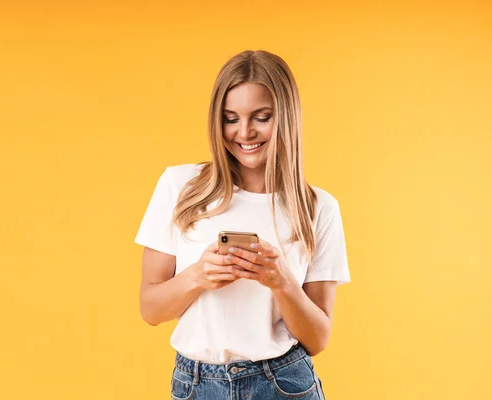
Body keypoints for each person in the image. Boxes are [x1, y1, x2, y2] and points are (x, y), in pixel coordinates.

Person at [134, 49, 350, 400]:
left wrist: (281, 282)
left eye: (261, 117)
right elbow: (150, 310)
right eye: (230, 118)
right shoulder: (180, 187)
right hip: (196, 386)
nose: (244, 132)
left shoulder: (318, 208)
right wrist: (197, 276)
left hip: (284, 384)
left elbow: (318, 338)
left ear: (286, 117)